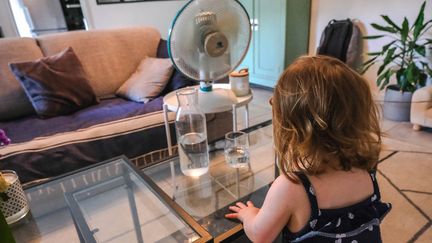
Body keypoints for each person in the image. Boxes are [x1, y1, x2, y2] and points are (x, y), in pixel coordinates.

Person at [226, 55, 391, 243]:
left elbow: (260, 235)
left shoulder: (291, 187)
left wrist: (249, 214)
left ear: (291, 126)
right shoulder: (365, 168)